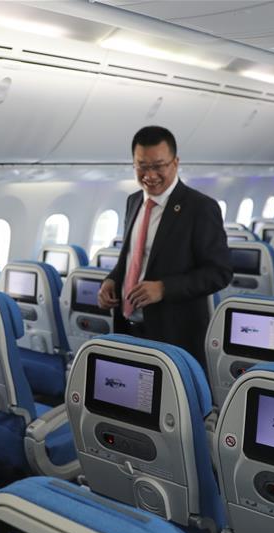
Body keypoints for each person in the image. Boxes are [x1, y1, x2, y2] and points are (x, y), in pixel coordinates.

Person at [97, 126, 232, 367]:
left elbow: (219, 273)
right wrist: (112, 280)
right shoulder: (134, 201)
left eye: (158, 166)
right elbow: (132, 258)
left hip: (173, 336)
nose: (150, 175)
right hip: (128, 329)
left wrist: (164, 288)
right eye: (142, 166)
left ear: (175, 163)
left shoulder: (200, 208)